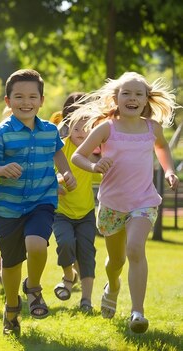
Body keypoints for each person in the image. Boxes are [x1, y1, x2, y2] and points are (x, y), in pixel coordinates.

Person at [70, 72, 179, 334]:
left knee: (135, 249)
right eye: (126, 94)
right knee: (115, 262)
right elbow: (77, 156)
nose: (132, 98)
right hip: (111, 204)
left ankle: (137, 312)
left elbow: (162, 148)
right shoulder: (107, 128)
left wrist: (169, 171)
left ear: (146, 100)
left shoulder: (153, 128)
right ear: (116, 98)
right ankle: (113, 287)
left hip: (143, 201)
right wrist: (95, 166)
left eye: (138, 94)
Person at [0, 69, 76, 336]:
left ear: (42, 100)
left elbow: (58, 152)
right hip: (8, 208)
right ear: (7, 100)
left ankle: (33, 289)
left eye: (32, 97)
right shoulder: (2, 133)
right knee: (10, 265)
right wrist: (2, 170)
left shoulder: (49, 130)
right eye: (19, 97)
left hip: (42, 200)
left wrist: (66, 173)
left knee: (36, 244)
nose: (26, 102)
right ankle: (12, 308)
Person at [51, 93, 97, 312]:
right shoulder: (61, 147)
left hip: (86, 213)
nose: (81, 133)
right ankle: (69, 275)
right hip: (61, 213)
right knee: (66, 243)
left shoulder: (94, 151)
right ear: (68, 127)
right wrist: (59, 180)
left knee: (87, 252)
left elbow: (103, 173)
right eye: (76, 129)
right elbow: (50, 175)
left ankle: (86, 300)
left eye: (86, 129)